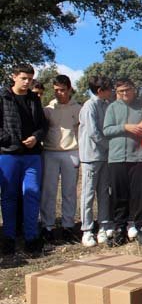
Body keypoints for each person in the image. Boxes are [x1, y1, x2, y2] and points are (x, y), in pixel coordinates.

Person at [103, 78, 142, 246]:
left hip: (138, 157)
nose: (125, 94)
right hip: (117, 157)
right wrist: (125, 127)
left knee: (139, 194)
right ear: (117, 92)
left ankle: (140, 228)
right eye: (121, 91)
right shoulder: (113, 107)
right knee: (119, 195)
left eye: (128, 90)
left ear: (134, 89)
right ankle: (119, 229)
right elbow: (106, 130)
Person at [0, 64, 47, 255]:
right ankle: (9, 238)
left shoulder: (34, 99)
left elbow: (43, 125)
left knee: (32, 193)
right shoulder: (3, 98)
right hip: (8, 154)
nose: (27, 82)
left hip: (32, 155)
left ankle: (31, 237)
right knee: (9, 197)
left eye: (30, 79)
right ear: (14, 77)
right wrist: (11, 140)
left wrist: (36, 137)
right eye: (24, 78)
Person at [40, 75, 82, 244]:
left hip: (71, 152)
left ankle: (68, 226)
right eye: (56, 90)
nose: (59, 93)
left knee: (69, 191)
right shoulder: (48, 109)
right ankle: (48, 226)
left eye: (62, 90)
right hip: (50, 152)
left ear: (69, 89)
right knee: (49, 191)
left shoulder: (78, 109)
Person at [79, 75, 113, 247]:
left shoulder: (106, 105)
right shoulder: (89, 106)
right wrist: (109, 146)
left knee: (103, 192)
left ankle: (104, 226)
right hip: (90, 157)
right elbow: (94, 133)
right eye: (109, 89)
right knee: (88, 193)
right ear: (100, 91)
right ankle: (87, 230)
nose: (111, 91)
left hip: (104, 156)